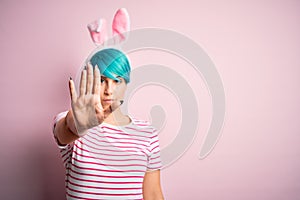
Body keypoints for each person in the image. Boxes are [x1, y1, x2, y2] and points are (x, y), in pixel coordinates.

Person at [52, 48, 164, 200]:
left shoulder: (147, 133)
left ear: (126, 84)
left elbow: (153, 194)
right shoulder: (72, 120)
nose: (109, 91)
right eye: (102, 80)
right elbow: (64, 131)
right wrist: (79, 127)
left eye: (117, 81)